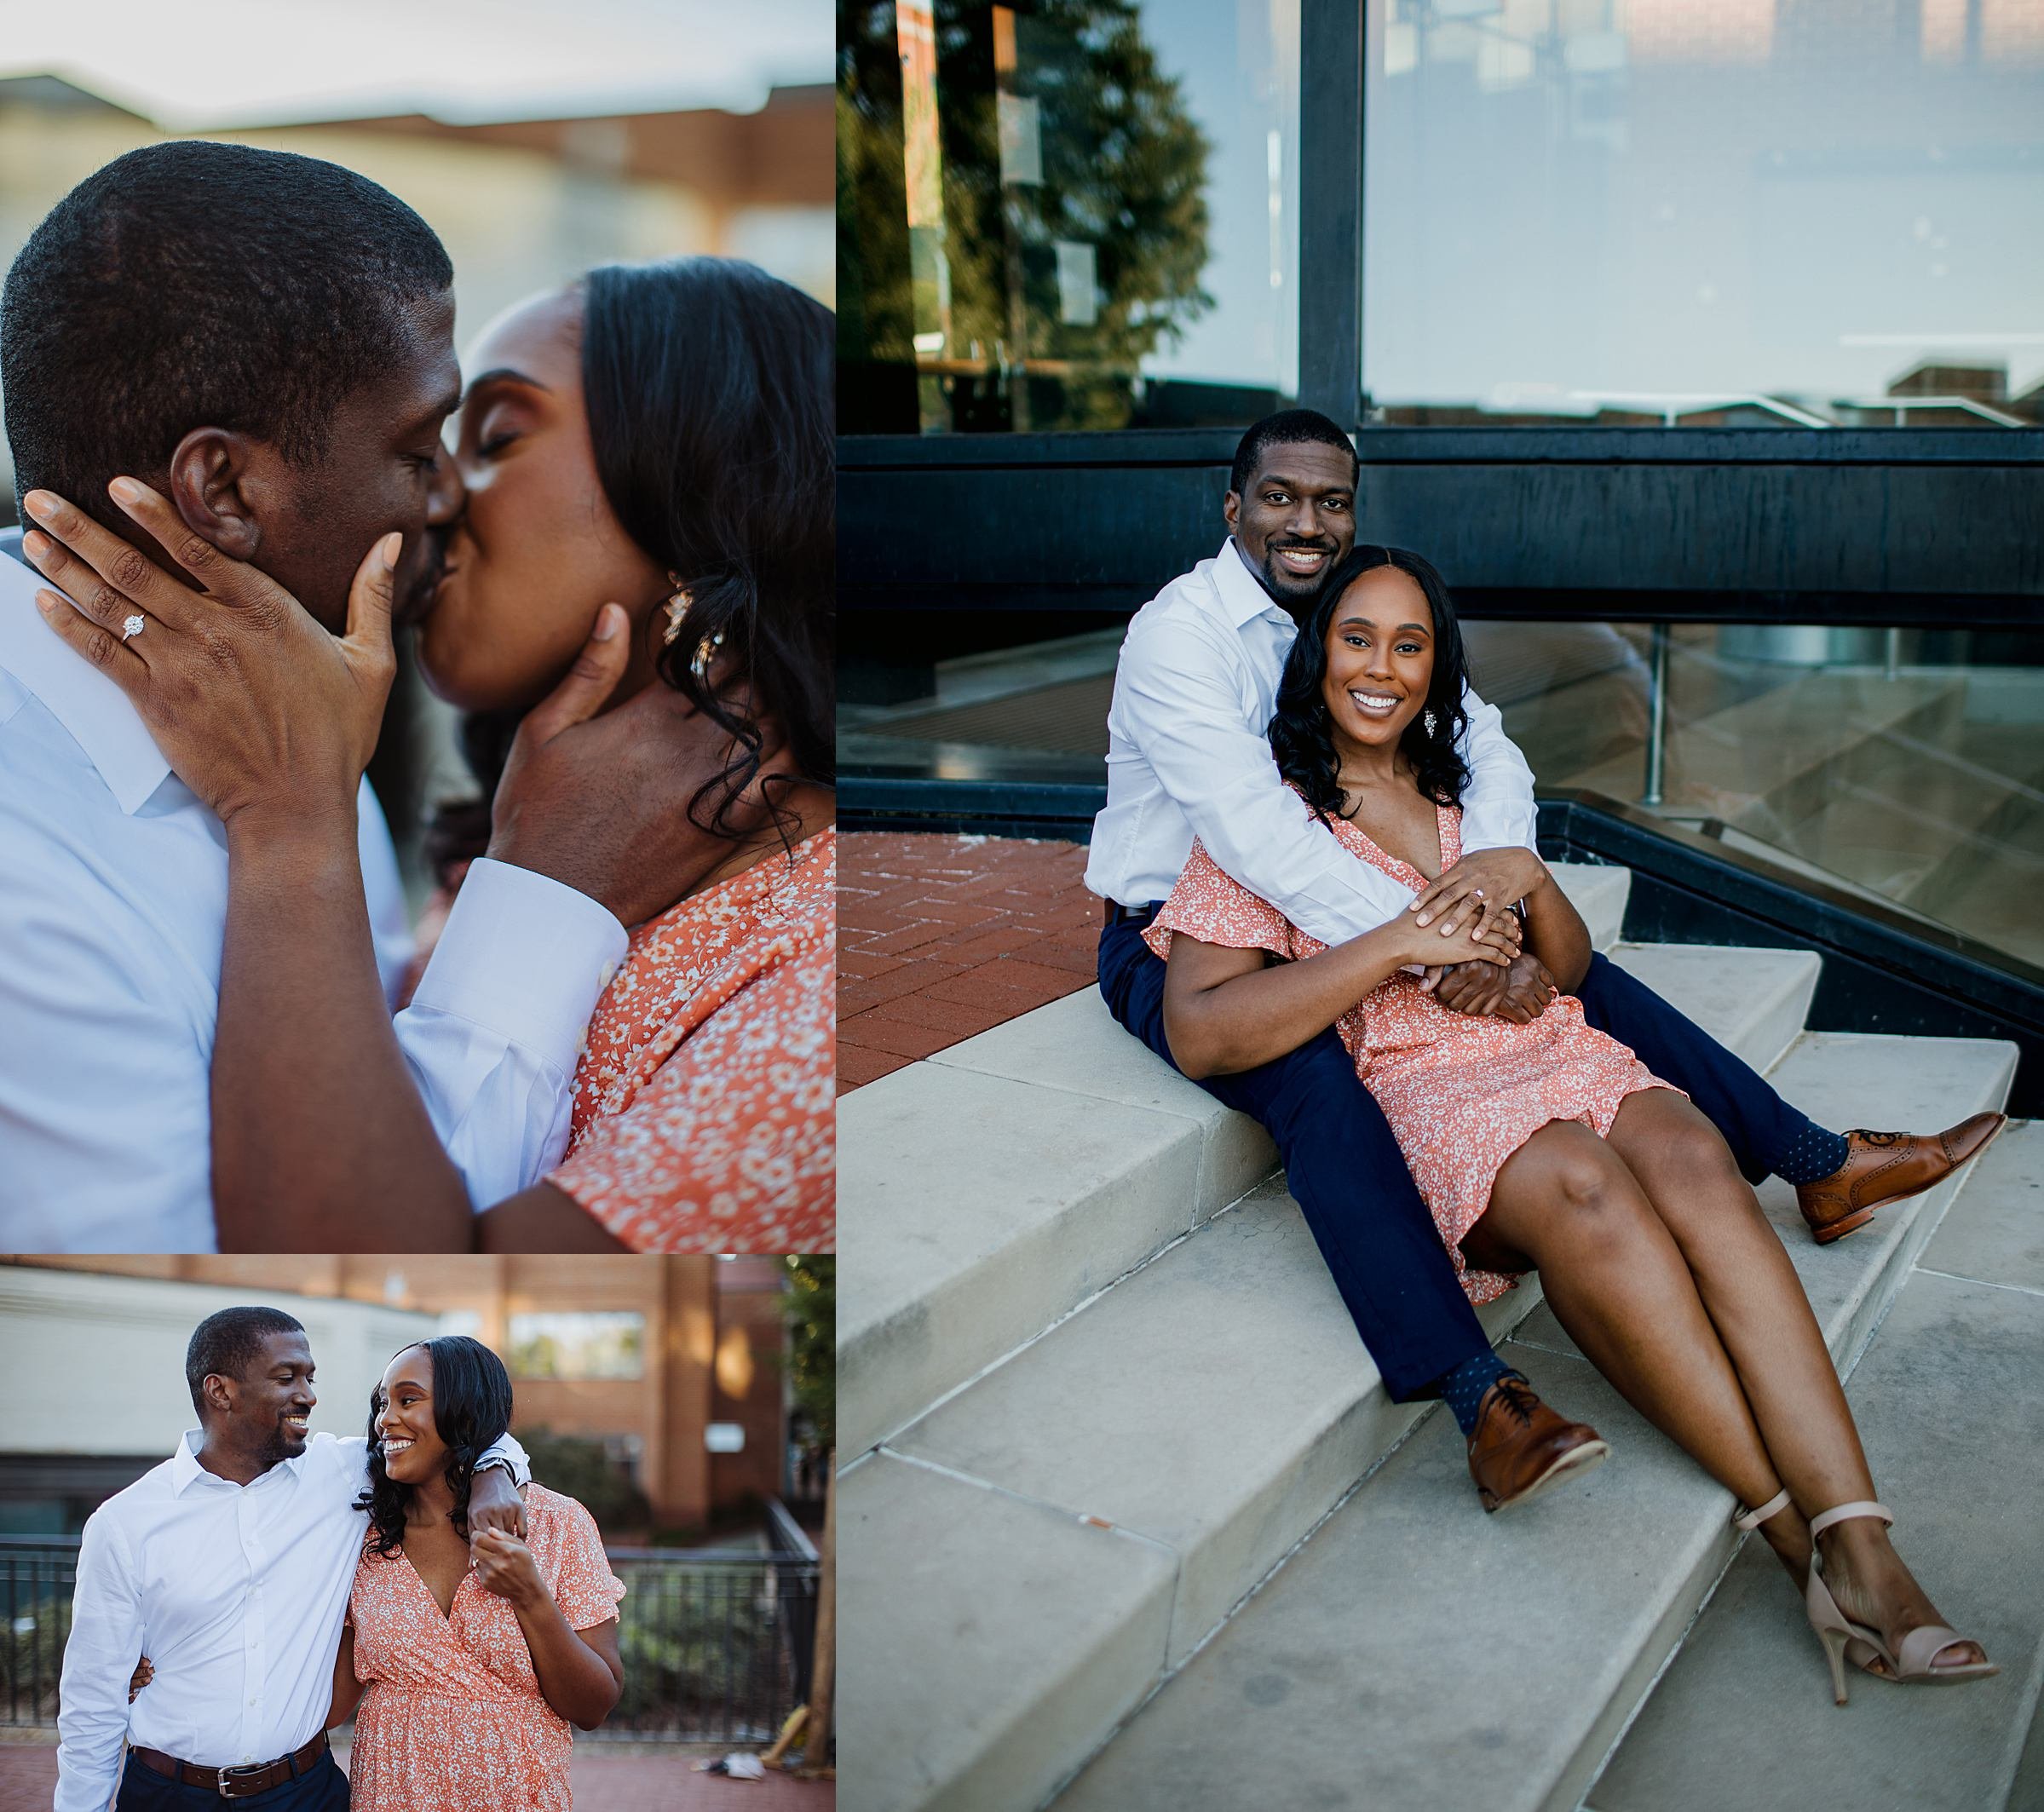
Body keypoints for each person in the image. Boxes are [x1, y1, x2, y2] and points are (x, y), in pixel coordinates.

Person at [1087, 408, 2004, 1511]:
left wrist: (1500, 883)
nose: (1305, 519)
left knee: (1577, 978)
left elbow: (1486, 745)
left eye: (1330, 500)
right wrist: (1444, 945)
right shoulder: (1176, 633)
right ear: (1232, 506)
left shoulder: (1348, 612)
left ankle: (1812, 1158)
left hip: (1364, 904)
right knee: (1315, 1083)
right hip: (1176, 929)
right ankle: (1479, 1394)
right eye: (1279, 495)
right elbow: (1251, 834)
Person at [0, 141, 749, 1251]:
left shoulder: (291, 709)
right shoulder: (32, 892)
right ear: (225, 488)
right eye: (419, 443)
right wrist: (542, 890)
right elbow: (306, 1274)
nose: (447, 493)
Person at [55, 1309, 532, 1810]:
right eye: (287, 1378)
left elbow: (463, 1432)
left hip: (305, 1791)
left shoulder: (345, 1474)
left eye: (310, 1377)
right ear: (221, 1392)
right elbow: (93, 1700)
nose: (308, 1394)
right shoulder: (125, 1522)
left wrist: (492, 1474)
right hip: (170, 1794)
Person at [324, 1337, 624, 1811]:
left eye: (408, 1399)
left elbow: (594, 1707)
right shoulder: (362, 1537)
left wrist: (530, 1596)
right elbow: (330, 1705)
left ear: (465, 1411)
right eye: (382, 1403)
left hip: (520, 1797)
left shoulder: (556, 1523)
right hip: (390, 1796)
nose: (385, 1419)